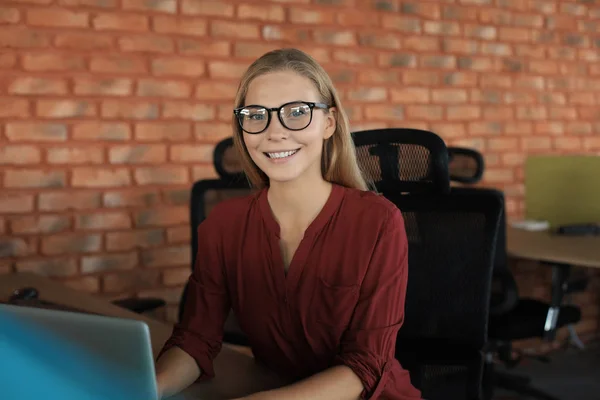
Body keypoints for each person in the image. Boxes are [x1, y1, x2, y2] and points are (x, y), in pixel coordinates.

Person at [154, 48, 422, 400]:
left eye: (297, 113)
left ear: (329, 123)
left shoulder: (378, 221)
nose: (274, 132)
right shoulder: (223, 225)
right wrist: (144, 390)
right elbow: (195, 339)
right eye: (255, 115)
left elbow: (366, 364)